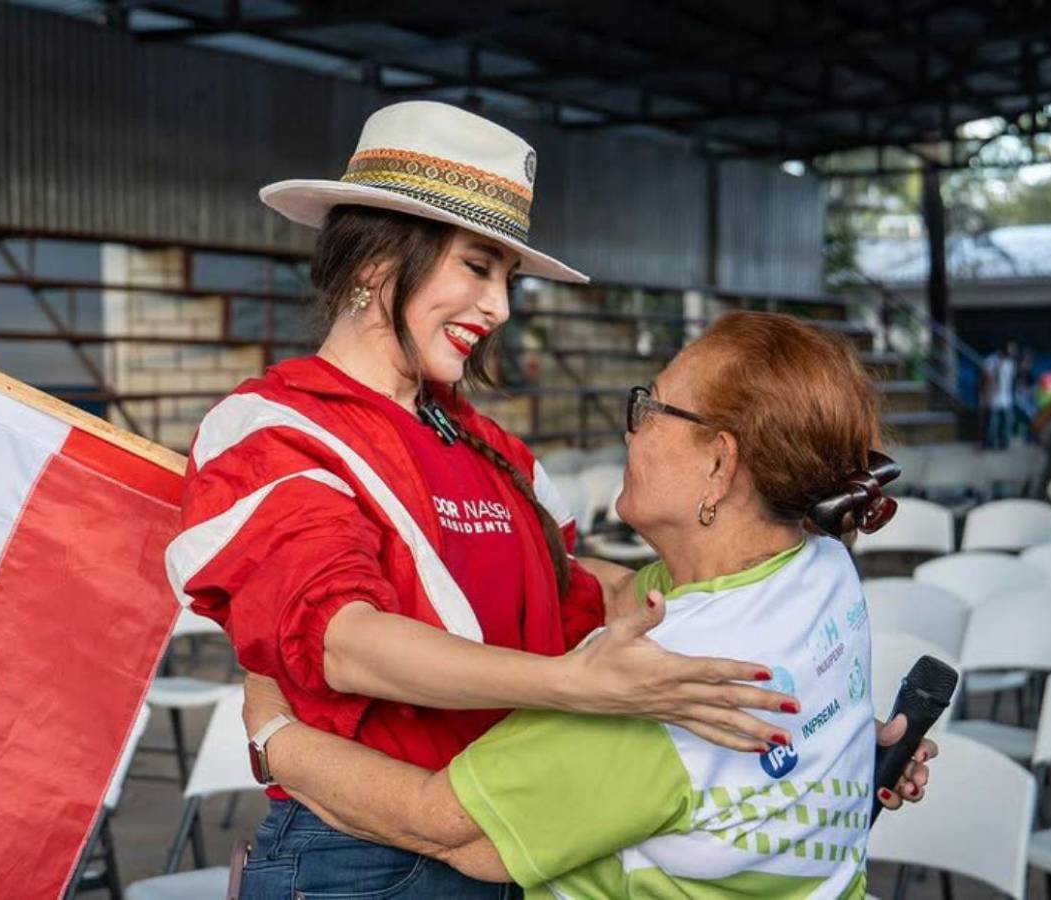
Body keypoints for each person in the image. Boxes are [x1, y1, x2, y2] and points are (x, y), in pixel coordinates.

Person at [169, 102, 932, 898]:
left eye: (507, 276)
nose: (500, 307)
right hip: (364, 850)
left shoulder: (495, 451)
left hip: (519, 829)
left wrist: (825, 735)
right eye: (476, 265)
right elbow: (343, 642)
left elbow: (581, 589)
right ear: (377, 262)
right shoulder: (278, 427)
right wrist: (576, 686)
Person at [243, 312, 934, 898]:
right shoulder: (817, 564)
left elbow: (445, 826)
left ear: (721, 465)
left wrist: (275, 730)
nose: (631, 430)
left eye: (651, 408)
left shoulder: (664, 685)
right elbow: (622, 590)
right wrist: (832, 746)